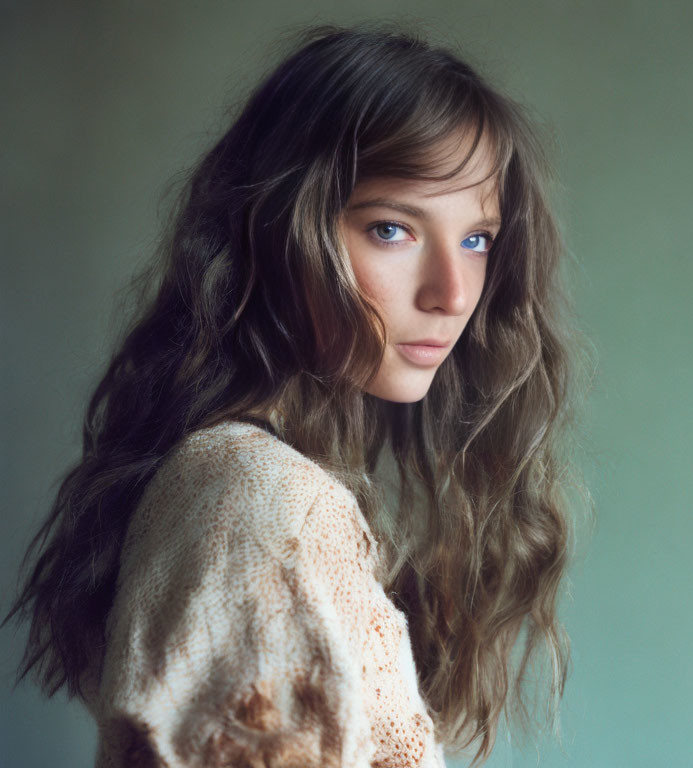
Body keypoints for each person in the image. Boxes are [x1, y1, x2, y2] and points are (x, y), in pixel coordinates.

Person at [3, 21, 591, 768]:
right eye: (392, 228)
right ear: (280, 230)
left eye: (477, 239)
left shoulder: (236, 480)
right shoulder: (265, 498)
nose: (453, 292)